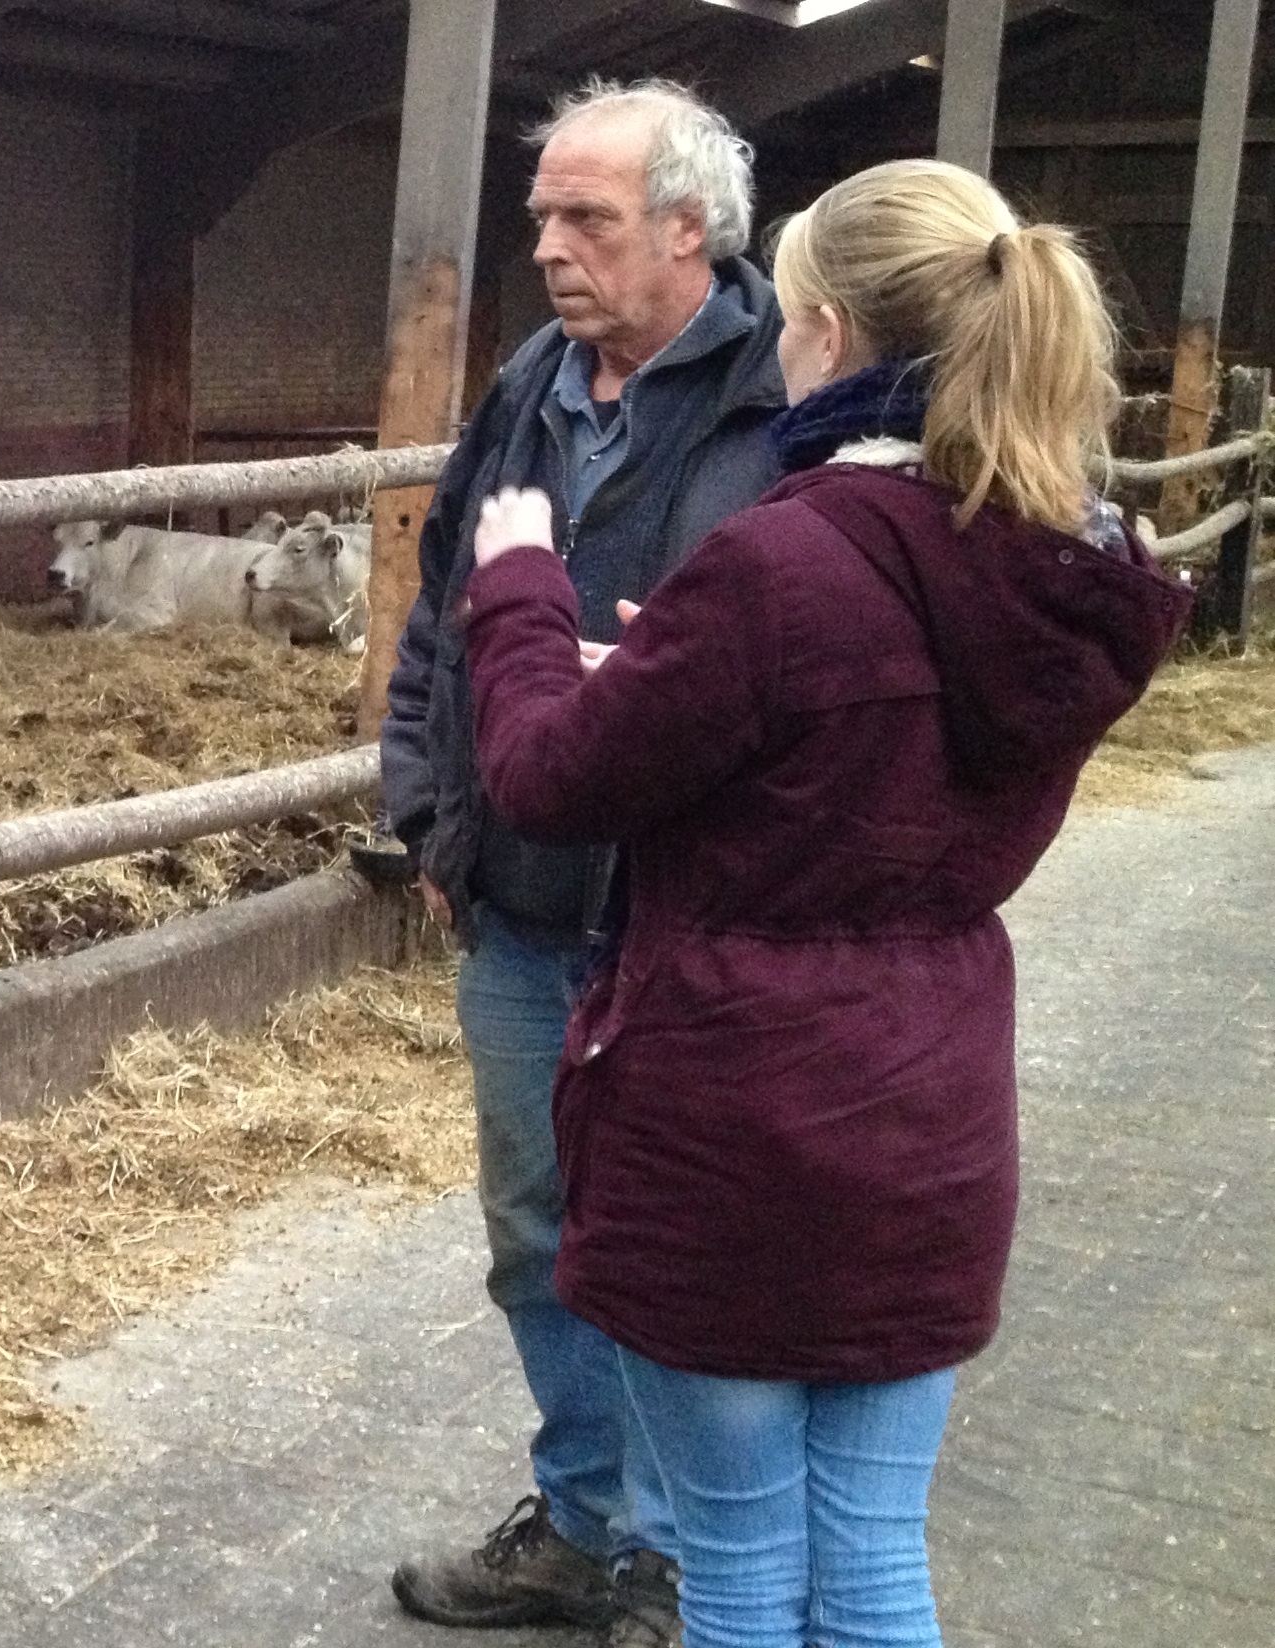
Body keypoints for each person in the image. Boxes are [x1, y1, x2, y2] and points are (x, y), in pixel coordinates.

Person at [455, 160, 1191, 1648]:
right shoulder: (1065, 566)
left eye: (786, 321)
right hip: (929, 1111)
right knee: (869, 1563)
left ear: (831, 333)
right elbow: (868, 739)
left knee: (737, 1569)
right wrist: (683, 671)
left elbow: (543, 777)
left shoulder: (784, 561)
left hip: (736, 1120)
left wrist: (519, 592)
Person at [384, 79, 785, 1647]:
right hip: (525, 902)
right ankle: (578, 1523)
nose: (548, 246)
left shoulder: (779, 400)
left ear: (687, 230)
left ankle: (679, 1557)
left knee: (681, 1245)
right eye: (540, 215)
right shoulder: (527, 388)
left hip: (688, 915)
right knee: (535, 1230)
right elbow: (442, 608)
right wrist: (432, 812)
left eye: (586, 219)